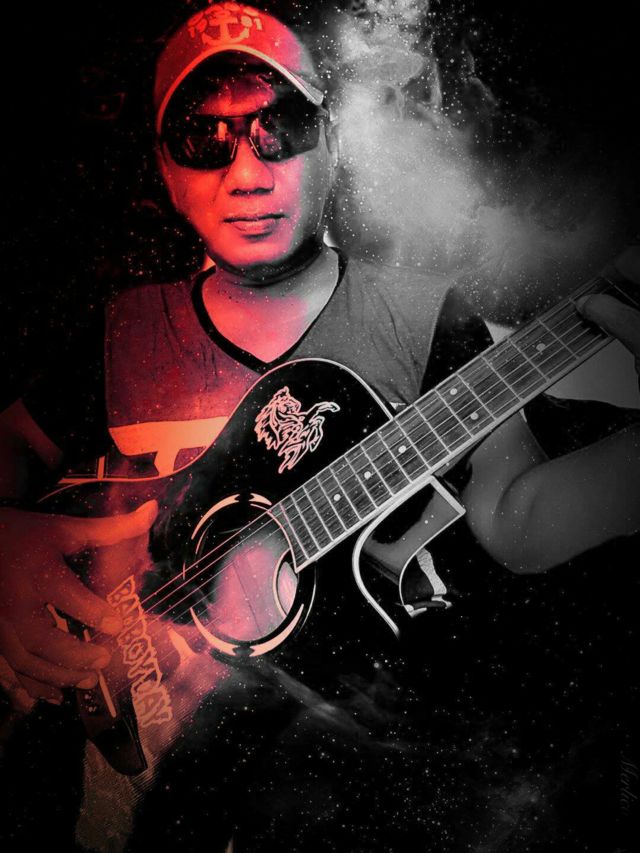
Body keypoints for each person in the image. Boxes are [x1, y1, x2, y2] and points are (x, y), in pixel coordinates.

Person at [1, 2, 639, 849]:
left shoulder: (421, 313)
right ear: (165, 168)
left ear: (332, 139)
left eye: (282, 127)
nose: (247, 171)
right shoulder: (124, 334)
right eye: (205, 139)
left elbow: (513, 515)